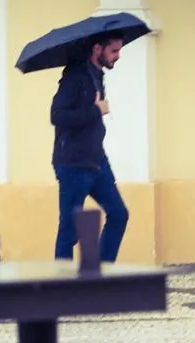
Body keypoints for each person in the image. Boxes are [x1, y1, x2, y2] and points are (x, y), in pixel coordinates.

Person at [50, 30, 130, 263]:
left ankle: (103, 272)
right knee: (69, 229)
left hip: (96, 160)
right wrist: (96, 110)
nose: (118, 55)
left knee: (118, 214)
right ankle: (61, 285)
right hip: (73, 163)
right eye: (114, 50)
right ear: (97, 49)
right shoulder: (74, 78)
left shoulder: (96, 75)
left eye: (119, 50)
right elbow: (57, 116)